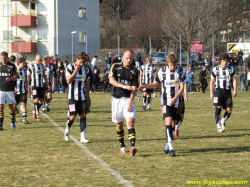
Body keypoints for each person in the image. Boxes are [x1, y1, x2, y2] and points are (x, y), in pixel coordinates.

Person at [138, 53, 186, 157]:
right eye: (170, 65)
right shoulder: (163, 71)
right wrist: (144, 86)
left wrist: (176, 97)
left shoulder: (181, 70)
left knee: (174, 123)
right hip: (165, 100)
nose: (172, 67)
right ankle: (171, 147)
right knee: (168, 122)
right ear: (167, 64)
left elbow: (182, 87)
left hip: (177, 100)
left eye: (174, 65)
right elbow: (155, 84)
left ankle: (167, 145)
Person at [109, 50, 139, 156]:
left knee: (130, 123)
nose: (129, 60)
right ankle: (122, 145)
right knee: (119, 125)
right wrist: (123, 86)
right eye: (127, 58)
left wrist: (130, 102)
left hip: (128, 100)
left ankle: (132, 147)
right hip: (117, 100)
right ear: (123, 57)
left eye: (131, 58)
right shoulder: (115, 66)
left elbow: (134, 88)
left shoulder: (135, 71)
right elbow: (111, 80)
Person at [64, 52, 91, 143]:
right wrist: (76, 70)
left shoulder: (86, 69)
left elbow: (87, 82)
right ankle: (67, 129)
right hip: (72, 97)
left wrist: (87, 95)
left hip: (82, 96)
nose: (81, 64)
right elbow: (68, 80)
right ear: (77, 59)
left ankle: (83, 136)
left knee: (83, 115)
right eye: (80, 62)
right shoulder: (69, 67)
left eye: (83, 63)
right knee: (73, 116)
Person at [210, 53, 237, 133]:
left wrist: (235, 90)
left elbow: (234, 79)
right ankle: (218, 126)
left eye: (226, 61)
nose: (225, 62)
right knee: (218, 109)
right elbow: (212, 81)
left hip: (227, 92)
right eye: (224, 61)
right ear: (220, 61)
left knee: (229, 110)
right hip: (218, 91)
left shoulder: (230, 69)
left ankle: (223, 120)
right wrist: (211, 92)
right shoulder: (215, 69)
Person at [27, 55, 50, 121]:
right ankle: (38, 115)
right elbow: (28, 76)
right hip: (34, 85)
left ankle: (34, 111)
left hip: (41, 85)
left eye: (40, 60)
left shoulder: (42, 66)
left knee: (41, 101)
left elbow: (44, 75)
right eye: (38, 60)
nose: (40, 61)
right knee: (36, 99)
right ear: (35, 59)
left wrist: (47, 83)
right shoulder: (31, 66)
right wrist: (28, 86)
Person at [0, 51, 19, 130]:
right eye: (2, 58)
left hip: (10, 90)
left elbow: (17, 76)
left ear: (7, 58)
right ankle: (1, 125)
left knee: (11, 107)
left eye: (4, 58)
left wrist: (10, 78)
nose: (3, 60)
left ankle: (12, 122)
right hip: (1, 90)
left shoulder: (12, 66)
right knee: (1, 107)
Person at [14, 57, 29, 124]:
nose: (24, 64)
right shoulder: (14, 70)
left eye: (25, 63)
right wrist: (14, 88)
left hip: (23, 91)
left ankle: (24, 119)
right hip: (16, 91)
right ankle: (13, 116)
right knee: (14, 106)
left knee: (23, 104)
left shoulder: (25, 70)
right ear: (19, 63)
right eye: (23, 63)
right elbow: (12, 81)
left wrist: (27, 88)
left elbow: (26, 80)